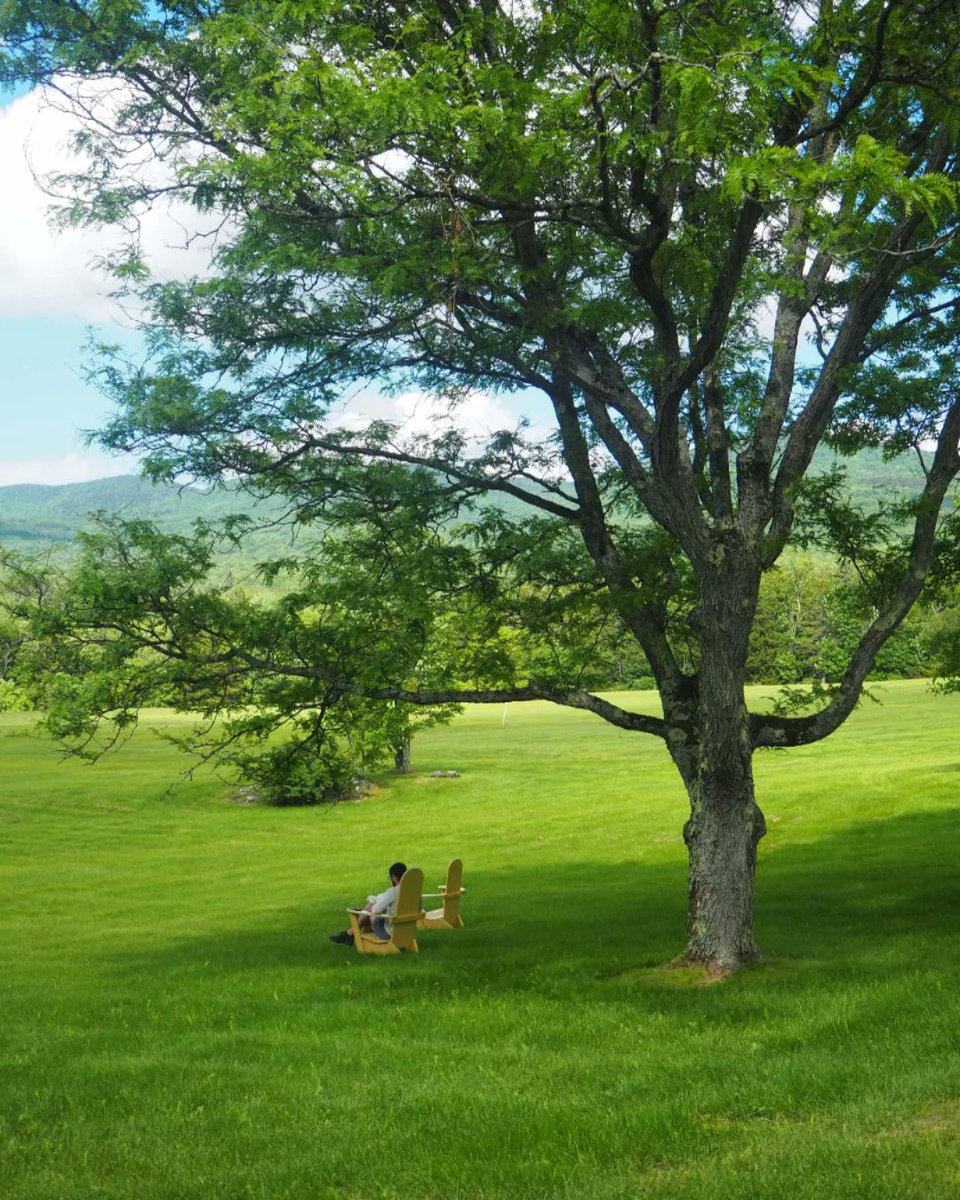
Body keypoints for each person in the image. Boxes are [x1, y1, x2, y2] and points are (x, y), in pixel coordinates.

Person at [329, 862, 407, 945]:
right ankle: (350, 935)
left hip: (389, 932)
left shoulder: (394, 892)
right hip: (406, 931)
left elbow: (376, 910)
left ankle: (350, 934)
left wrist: (373, 904)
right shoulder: (414, 891)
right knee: (370, 911)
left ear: (394, 877)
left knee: (371, 908)